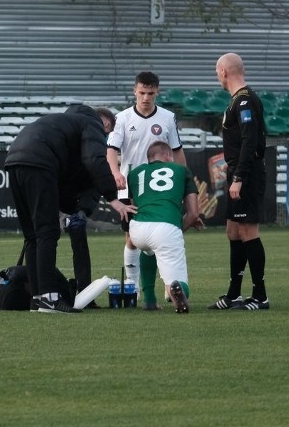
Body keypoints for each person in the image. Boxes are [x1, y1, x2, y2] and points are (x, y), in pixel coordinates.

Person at [5, 104, 135, 314]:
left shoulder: (62, 122)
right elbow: (94, 159)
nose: (106, 137)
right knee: (47, 233)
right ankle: (50, 299)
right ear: (104, 123)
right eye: (107, 132)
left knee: (32, 236)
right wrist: (113, 198)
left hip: (14, 160)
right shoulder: (91, 124)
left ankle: (37, 299)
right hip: (40, 162)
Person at [107, 72, 186, 298]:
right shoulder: (121, 118)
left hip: (160, 187)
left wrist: (183, 180)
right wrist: (115, 173)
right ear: (135, 91)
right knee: (132, 238)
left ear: (157, 92)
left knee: (163, 238)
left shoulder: (167, 117)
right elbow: (111, 150)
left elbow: (177, 152)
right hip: (130, 185)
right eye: (142, 92)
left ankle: (170, 286)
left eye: (150, 93)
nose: (145, 98)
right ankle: (133, 287)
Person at [208, 53, 270, 311]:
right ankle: (234, 294)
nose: (217, 78)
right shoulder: (237, 101)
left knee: (247, 232)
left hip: (247, 174)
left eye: (216, 73)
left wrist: (239, 177)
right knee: (233, 231)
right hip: (238, 172)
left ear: (223, 72)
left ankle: (260, 296)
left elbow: (249, 141)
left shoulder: (244, 101)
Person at [126, 141, 204, 313]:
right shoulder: (182, 170)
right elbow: (193, 214)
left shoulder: (134, 173)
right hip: (166, 228)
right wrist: (177, 227)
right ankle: (174, 292)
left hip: (138, 229)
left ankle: (149, 300)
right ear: (168, 156)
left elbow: (136, 206)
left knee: (148, 250)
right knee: (178, 284)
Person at [58, 107, 116, 309]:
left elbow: (92, 188)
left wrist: (81, 211)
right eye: (104, 126)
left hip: (68, 202)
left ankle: (84, 294)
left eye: (106, 130)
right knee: (43, 240)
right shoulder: (68, 138)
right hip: (51, 191)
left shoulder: (89, 153)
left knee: (78, 239)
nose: (103, 131)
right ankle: (41, 290)